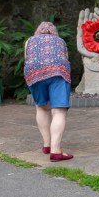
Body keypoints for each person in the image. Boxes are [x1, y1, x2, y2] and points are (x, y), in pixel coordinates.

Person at [24, 22, 73, 161]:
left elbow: (27, 59)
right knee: (58, 111)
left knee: (42, 107)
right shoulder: (60, 41)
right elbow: (65, 59)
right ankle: (56, 150)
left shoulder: (30, 41)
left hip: (34, 73)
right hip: (58, 71)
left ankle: (47, 145)